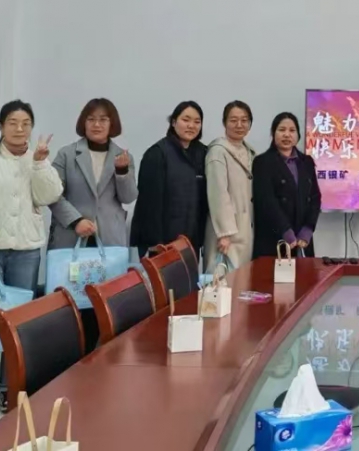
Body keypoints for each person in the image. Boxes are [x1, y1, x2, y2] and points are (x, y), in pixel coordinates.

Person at [0, 100, 63, 417]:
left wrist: (41, 165)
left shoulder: (37, 159)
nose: (20, 129)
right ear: (1, 127)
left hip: (25, 250)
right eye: (13, 123)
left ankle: (10, 387)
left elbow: (50, 196)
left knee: (17, 323)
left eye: (26, 123)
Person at [49, 98, 137, 351]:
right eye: (91, 119)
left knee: (106, 304)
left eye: (103, 119)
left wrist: (122, 172)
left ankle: (101, 360)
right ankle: (71, 360)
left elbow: (129, 197)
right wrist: (76, 220)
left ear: (112, 124)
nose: (97, 124)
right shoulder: (67, 154)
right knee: (71, 304)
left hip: (108, 239)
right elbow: (52, 195)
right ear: (83, 123)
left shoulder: (122, 156)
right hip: (72, 237)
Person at [130, 101, 209, 263]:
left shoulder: (204, 153)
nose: (191, 126)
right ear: (173, 122)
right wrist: (155, 243)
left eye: (197, 121)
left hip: (191, 240)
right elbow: (148, 205)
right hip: (163, 242)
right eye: (185, 120)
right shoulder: (157, 154)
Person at [252, 112, 322, 258]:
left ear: (298, 135)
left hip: (302, 240)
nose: (287, 135)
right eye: (282, 130)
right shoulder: (262, 162)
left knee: (305, 273)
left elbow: (315, 197)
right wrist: (285, 231)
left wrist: (308, 229)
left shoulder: (306, 162)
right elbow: (266, 201)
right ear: (273, 133)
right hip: (273, 238)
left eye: (292, 130)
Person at [205, 101, 256, 270]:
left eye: (244, 120)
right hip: (227, 234)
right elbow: (218, 193)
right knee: (223, 280)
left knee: (242, 280)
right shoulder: (218, 152)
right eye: (233, 120)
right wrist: (224, 233)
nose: (239, 125)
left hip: (245, 228)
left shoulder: (250, 152)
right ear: (224, 123)